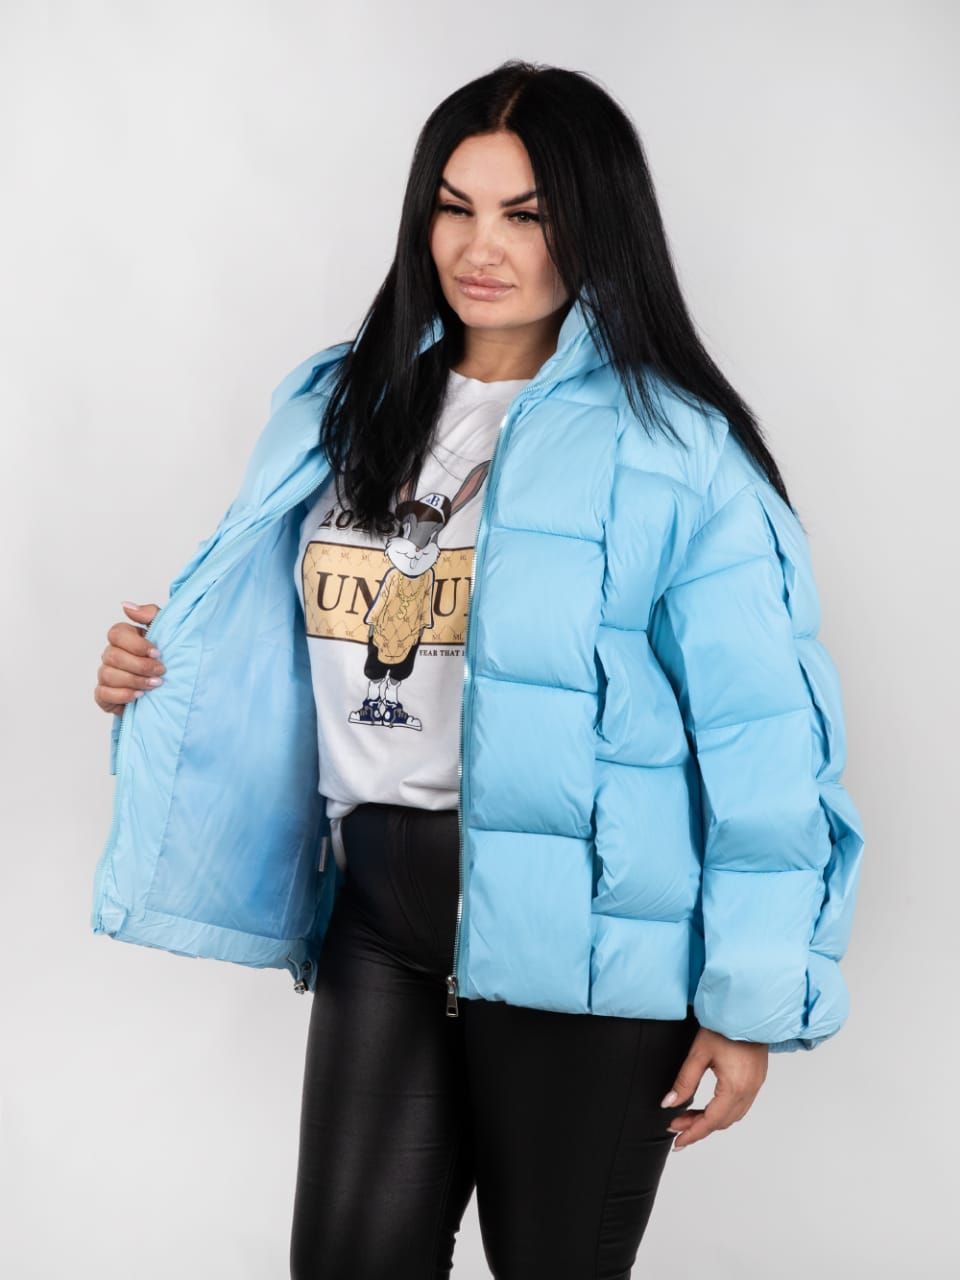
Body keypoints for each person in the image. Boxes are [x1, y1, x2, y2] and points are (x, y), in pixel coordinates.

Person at [91, 60, 865, 1280]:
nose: (480, 245)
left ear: (596, 225)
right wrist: (156, 669)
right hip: (377, 907)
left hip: (587, 935)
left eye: (526, 214)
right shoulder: (340, 404)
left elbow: (764, 739)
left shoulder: (675, 451)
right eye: (455, 207)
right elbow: (282, 634)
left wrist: (750, 997)